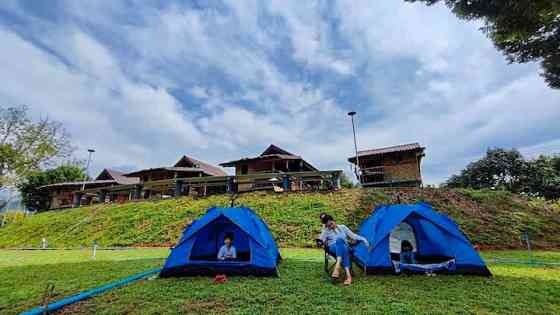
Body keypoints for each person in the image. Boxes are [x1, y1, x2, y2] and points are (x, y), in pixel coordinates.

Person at [319, 215, 369, 285]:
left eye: (331, 224)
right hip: (333, 247)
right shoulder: (326, 231)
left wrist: (363, 239)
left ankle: (338, 267)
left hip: (344, 247)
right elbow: (320, 241)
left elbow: (353, 236)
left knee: (342, 244)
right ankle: (348, 276)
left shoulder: (343, 227)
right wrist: (323, 234)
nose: (331, 226)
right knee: (340, 243)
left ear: (334, 221)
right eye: (328, 226)